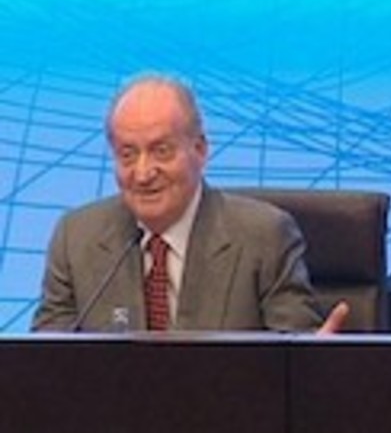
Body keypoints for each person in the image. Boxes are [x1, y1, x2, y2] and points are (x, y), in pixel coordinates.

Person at [32, 73, 347, 334]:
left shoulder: (265, 237)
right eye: (127, 155)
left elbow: (294, 361)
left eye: (161, 151)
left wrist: (311, 362)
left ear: (200, 150)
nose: (143, 173)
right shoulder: (76, 238)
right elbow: (43, 366)